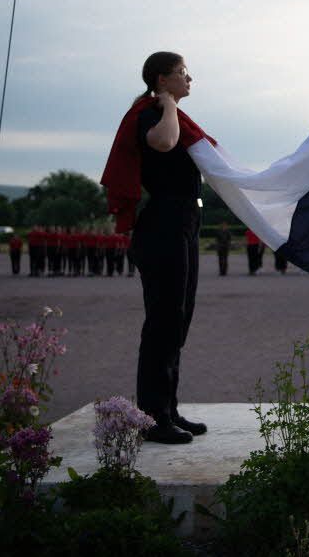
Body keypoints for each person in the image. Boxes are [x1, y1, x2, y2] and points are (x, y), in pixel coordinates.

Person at [100, 51, 211, 444]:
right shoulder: (151, 113)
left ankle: (169, 409)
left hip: (184, 221)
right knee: (163, 321)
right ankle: (153, 418)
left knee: (178, 320)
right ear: (162, 80)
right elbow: (163, 144)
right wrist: (167, 106)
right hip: (163, 222)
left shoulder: (170, 113)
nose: (189, 78)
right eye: (182, 73)